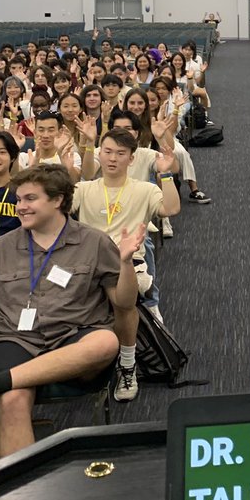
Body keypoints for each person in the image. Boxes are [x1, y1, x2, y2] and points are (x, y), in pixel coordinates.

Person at [0, 165, 142, 458]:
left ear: (58, 200)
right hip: (14, 340)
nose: (20, 207)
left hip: (72, 338)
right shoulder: (2, 247)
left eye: (30, 199)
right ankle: (21, 484)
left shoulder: (94, 242)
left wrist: (126, 264)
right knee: (12, 400)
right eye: (18, 199)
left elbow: (125, 302)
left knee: (105, 342)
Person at [72, 128, 180, 401]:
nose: (112, 159)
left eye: (120, 154)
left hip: (129, 262)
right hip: (88, 264)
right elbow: (55, 208)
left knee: (123, 301)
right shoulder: (83, 189)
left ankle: (127, 365)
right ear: (100, 154)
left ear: (131, 159)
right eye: (107, 152)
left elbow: (170, 209)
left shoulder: (144, 189)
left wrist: (166, 174)